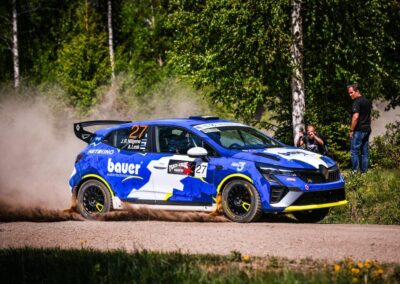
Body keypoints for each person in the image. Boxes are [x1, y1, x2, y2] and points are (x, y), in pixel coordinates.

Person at [348, 83, 372, 173]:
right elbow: (368, 116)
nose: (350, 95)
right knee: (364, 151)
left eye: (351, 92)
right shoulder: (366, 101)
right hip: (367, 129)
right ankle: (364, 172)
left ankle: (355, 172)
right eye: (349, 93)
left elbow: (356, 117)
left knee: (354, 151)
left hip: (359, 130)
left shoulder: (357, 102)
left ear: (357, 91)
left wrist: (351, 130)